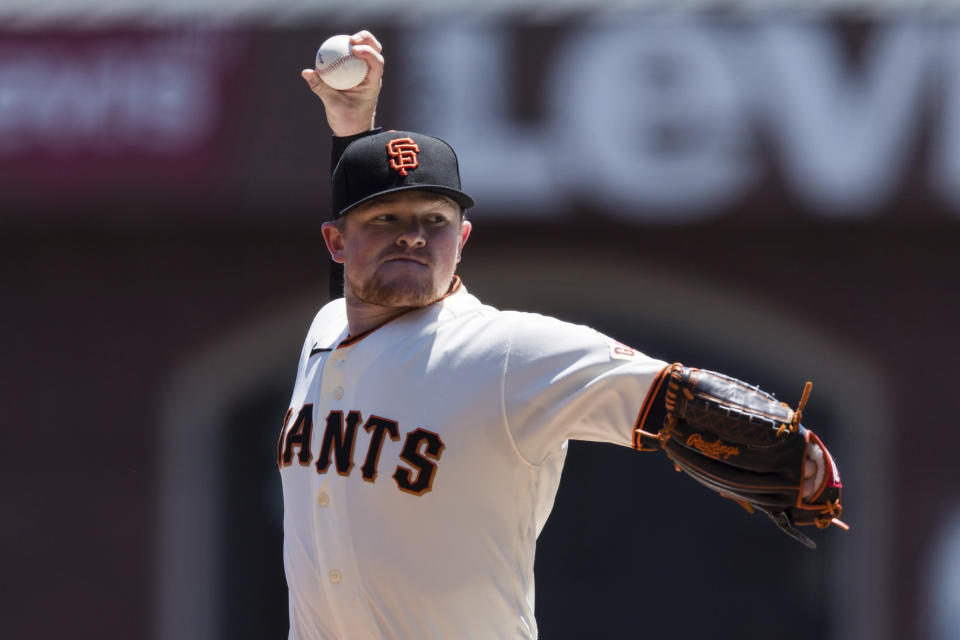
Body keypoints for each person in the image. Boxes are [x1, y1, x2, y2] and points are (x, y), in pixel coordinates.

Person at [279, 30, 841, 639]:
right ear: (336, 242)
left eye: (435, 221)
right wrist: (352, 123)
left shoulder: (503, 352)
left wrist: (795, 449)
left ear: (462, 240)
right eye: (386, 218)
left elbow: (663, 392)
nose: (412, 235)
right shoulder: (327, 330)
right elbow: (357, 295)